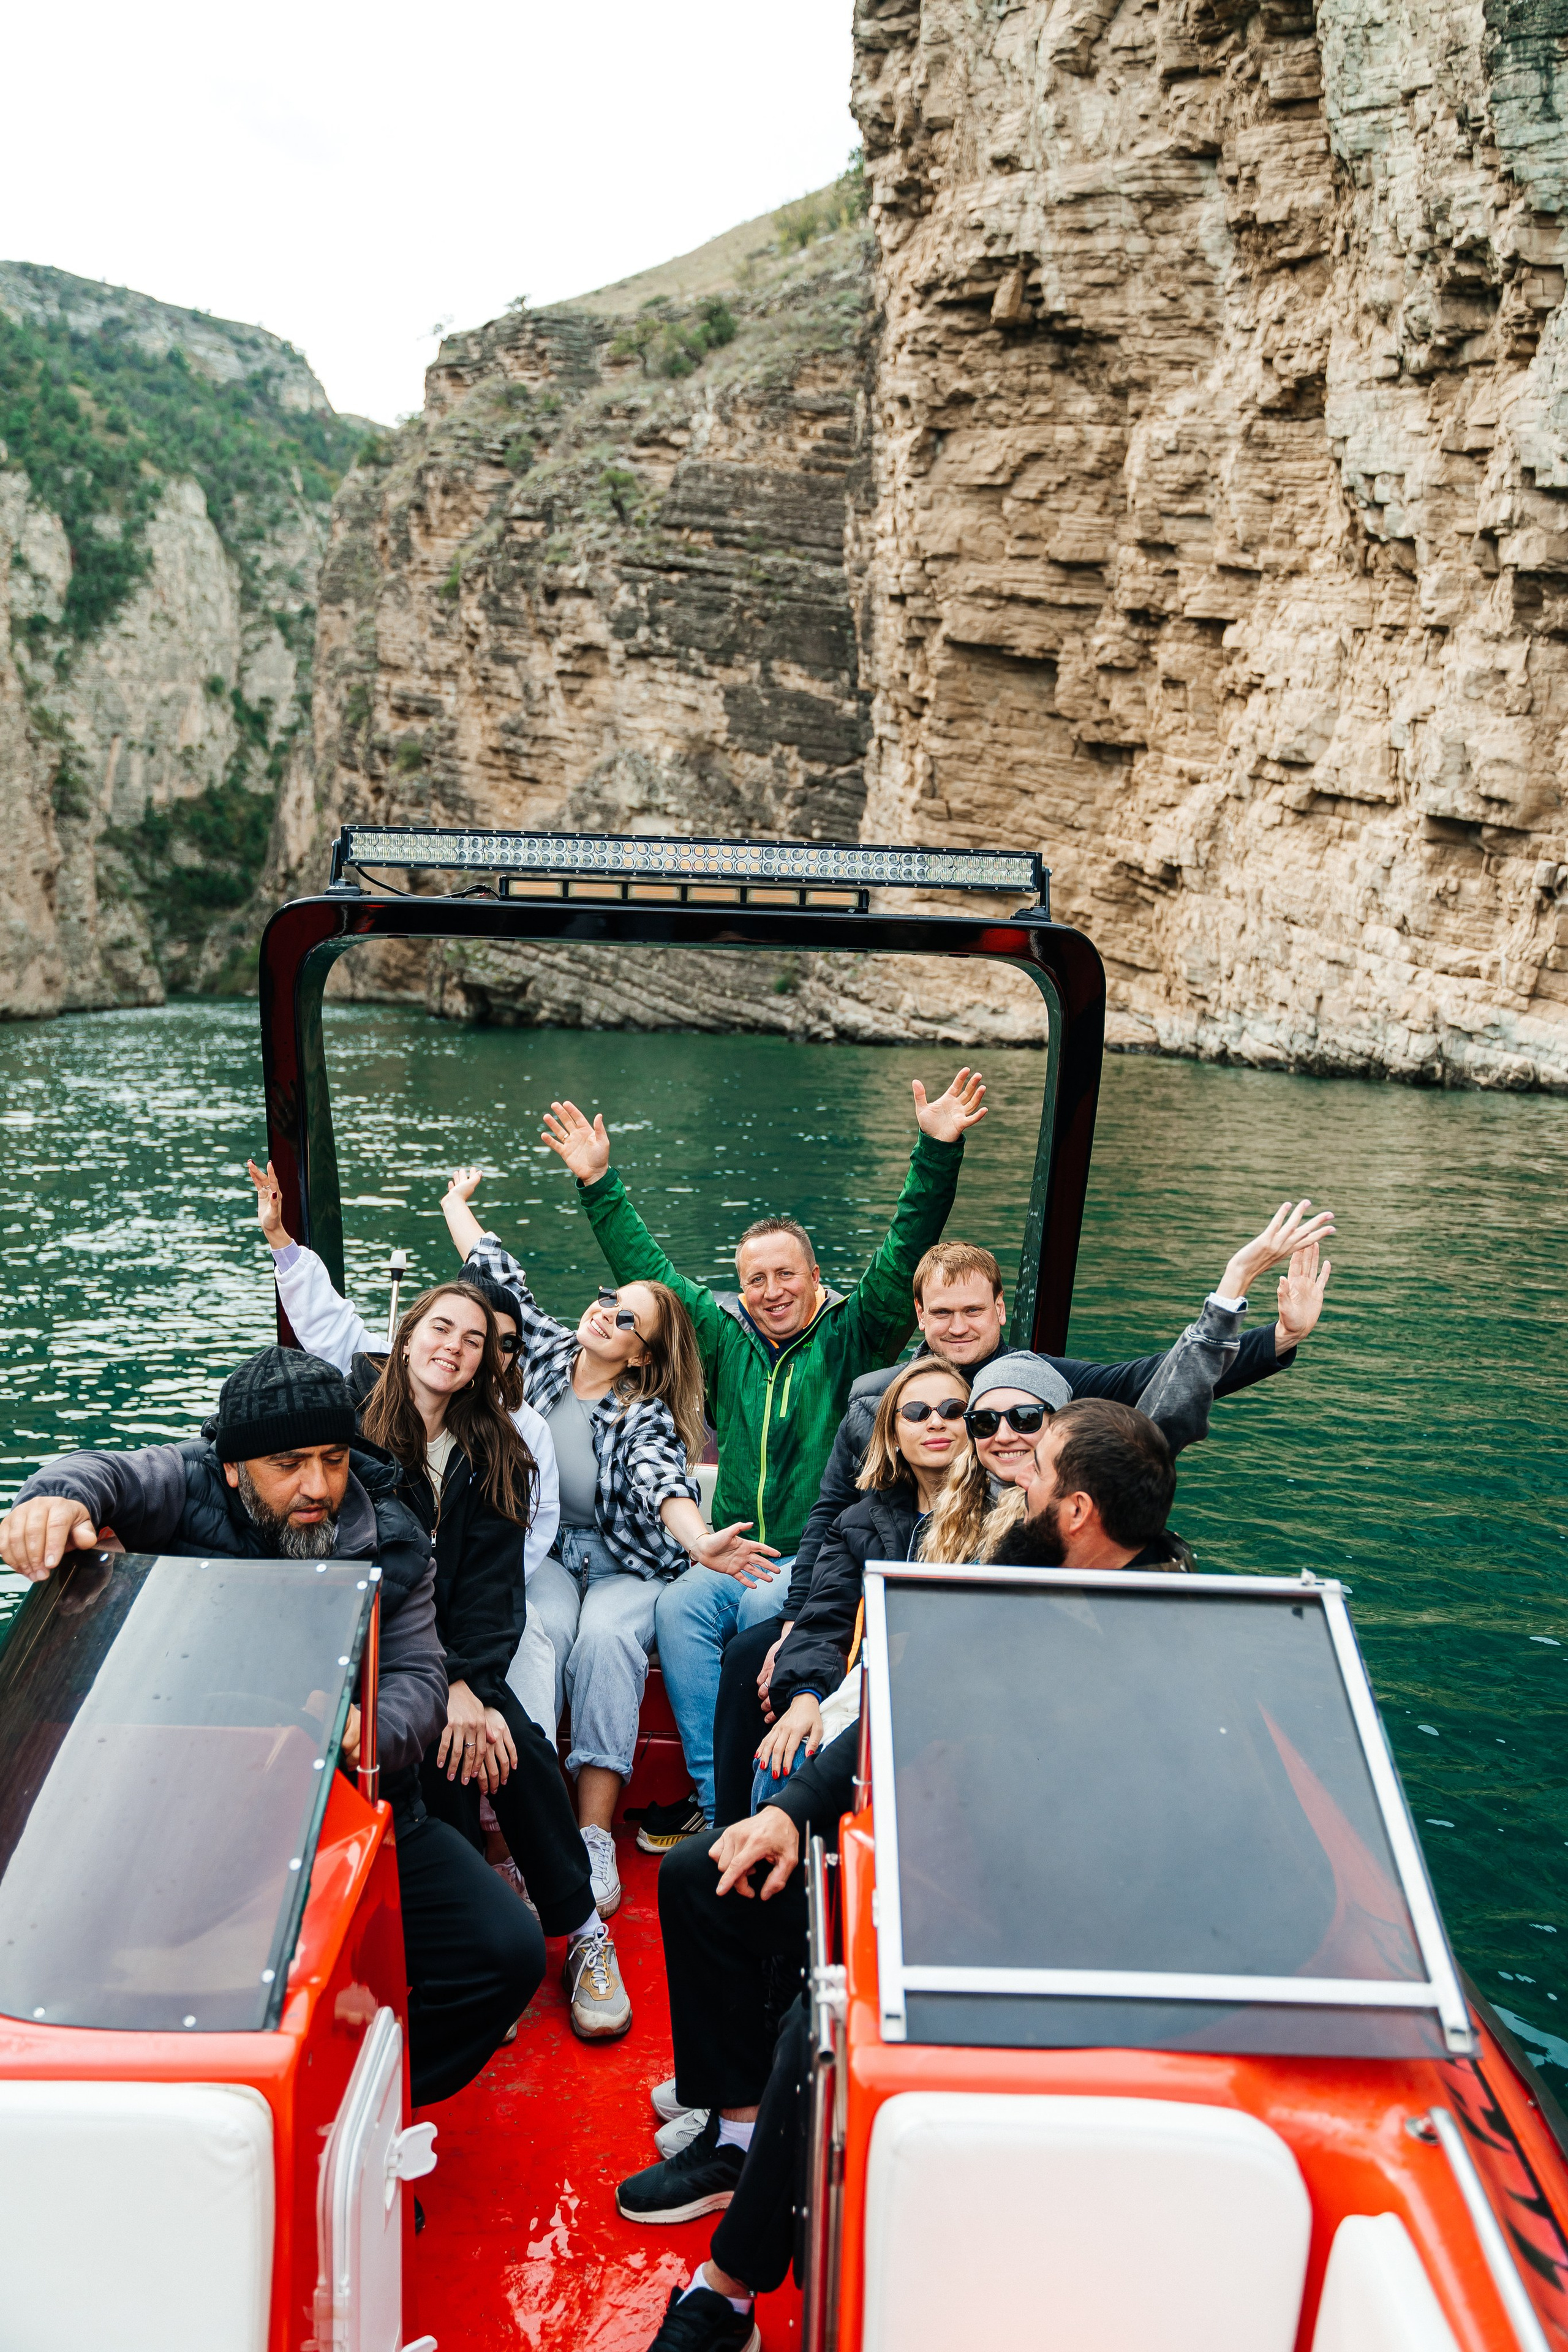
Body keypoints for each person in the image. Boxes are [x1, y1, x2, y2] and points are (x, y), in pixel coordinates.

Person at [616, 1401, 1188, 2352]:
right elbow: (907, 1712)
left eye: (1036, 1467)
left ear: (1078, 1510)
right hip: (957, 1863)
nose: (1015, 1476)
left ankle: (732, 2288)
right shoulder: (1021, 1580)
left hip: (1059, 1927)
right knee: (702, 1879)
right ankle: (742, 2140)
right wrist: (787, 1814)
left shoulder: (1172, 1628)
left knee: (826, 2019)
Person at [0, 1346, 541, 2112]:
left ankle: (358, 2112)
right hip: (181, 1791)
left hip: (337, 1801)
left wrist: (367, 1731)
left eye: (331, 1458)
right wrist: (53, 1502)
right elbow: (106, 1472)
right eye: (287, 1464)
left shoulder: (390, 1534)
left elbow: (420, 1678)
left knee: (503, 1955)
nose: (316, 1486)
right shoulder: (187, 1484)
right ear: (231, 1467)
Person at [540, 1068, 990, 1828]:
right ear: (739, 1288)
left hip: (809, 1560)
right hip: (732, 1555)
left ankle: (768, 1795)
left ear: (816, 1278)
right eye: (755, 1279)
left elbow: (904, 1245)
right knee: (683, 1605)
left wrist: (936, 1152)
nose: (771, 1290)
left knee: (757, 1617)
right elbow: (652, 1279)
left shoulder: (854, 1336)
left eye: (787, 1274)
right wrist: (598, 1184)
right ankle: (716, 1805)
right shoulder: (724, 1345)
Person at [244, 1164, 630, 2040]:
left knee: (505, 1743)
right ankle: (469, 1934)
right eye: (442, 1328)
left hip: (451, 1658)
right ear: (411, 1334)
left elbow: (493, 1596)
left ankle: (581, 1932)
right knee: (453, 1742)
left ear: (492, 1360)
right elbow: (242, 1462)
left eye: (478, 1340)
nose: (456, 1346)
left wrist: (464, 1684)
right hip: (350, 1657)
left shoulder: (500, 1453)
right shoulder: (346, 1425)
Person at [435, 1167, 779, 1919]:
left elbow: (667, 1486)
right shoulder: (543, 1356)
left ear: (644, 1357)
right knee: (534, 1634)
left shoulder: (644, 1415)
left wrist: (698, 1543)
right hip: (552, 1555)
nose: (606, 1318)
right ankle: (509, 1828)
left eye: (629, 1322)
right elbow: (493, 1271)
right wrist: (455, 1205)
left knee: (605, 1642)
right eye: (608, 1303)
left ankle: (590, 1835)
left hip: (629, 1566)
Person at [748, 1354, 989, 1805]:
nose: (936, 1422)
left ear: (972, 1424)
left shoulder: (1001, 1515)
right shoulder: (855, 1523)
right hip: (869, 1688)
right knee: (782, 1759)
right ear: (894, 1435)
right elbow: (824, 1619)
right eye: (917, 1413)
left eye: (953, 1411)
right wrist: (804, 1696)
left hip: (961, 1700)